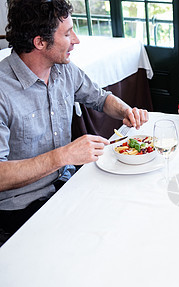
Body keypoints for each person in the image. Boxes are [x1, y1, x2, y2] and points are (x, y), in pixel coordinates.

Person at [0, 0, 149, 241]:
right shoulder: (2, 90)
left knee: (130, 213)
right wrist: (63, 156)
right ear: (40, 42)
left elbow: (100, 98)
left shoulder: (63, 69)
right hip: (20, 208)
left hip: (66, 185)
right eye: (68, 33)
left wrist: (126, 111)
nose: (76, 40)